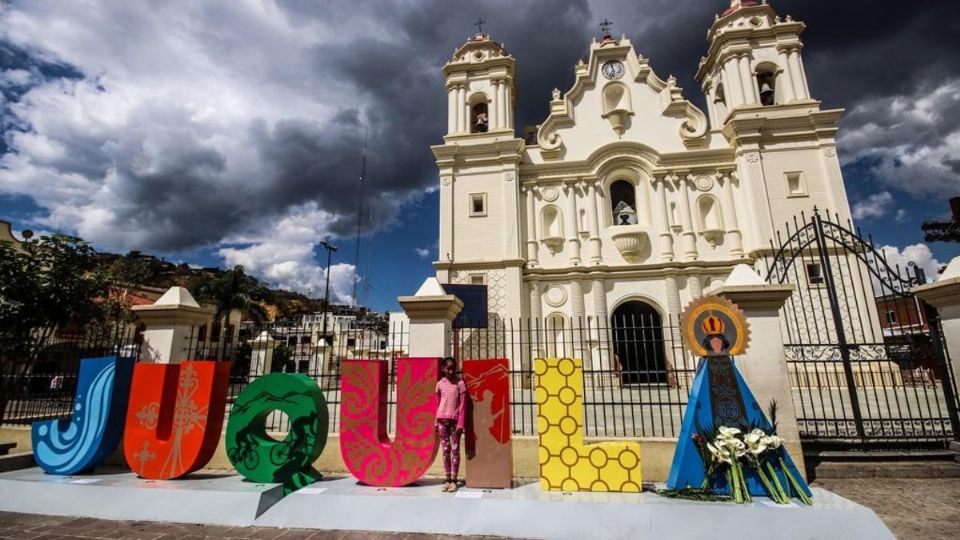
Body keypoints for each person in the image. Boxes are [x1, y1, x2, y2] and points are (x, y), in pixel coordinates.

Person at [435, 356, 467, 492]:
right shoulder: (440, 384)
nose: (451, 372)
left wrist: (461, 424)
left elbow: (463, 405)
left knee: (455, 451)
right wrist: (436, 422)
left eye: (453, 369)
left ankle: (454, 480)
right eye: (448, 369)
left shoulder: (460, 384)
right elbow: (436, 404)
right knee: (445, 451)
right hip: (442, 421)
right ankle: (447, 479)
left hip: (455, 423)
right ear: (443, 369)